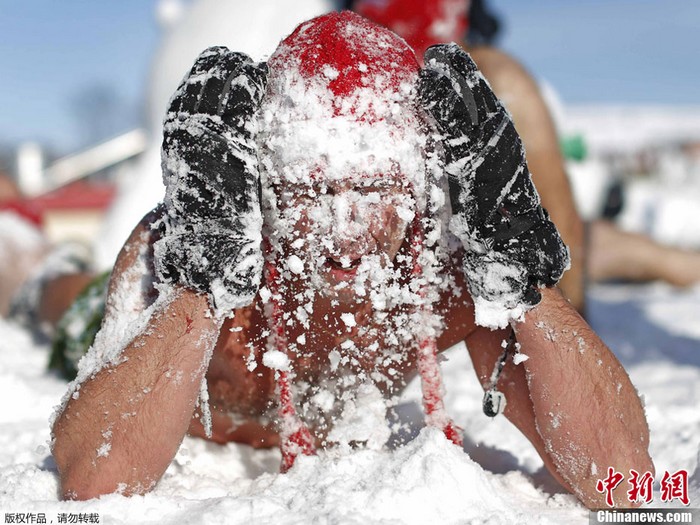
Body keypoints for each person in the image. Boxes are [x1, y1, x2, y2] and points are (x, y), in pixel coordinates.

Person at [50, 12, 653, 509]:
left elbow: (626, 480)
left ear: (418, 185)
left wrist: (518, 268)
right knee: (58, 293)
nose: (345, 232)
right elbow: (91, 482)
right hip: (135, 330)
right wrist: (203, 283)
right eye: (310, 192)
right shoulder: (178, 251)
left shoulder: (448, 268)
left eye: (374, 191)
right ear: (267, 185)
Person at [352, 0, 700, 314]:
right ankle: (570, 312)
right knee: (508, 83)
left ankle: (574, 315)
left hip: (470, 201)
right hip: (397, 120)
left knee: (634, 253)